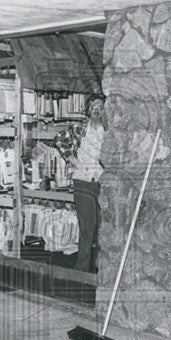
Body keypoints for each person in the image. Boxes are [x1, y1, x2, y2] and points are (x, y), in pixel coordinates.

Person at [54, 96, 107, 271]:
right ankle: (82, 270)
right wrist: (70, 157)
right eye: (93, 107)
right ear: (88, 110)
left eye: (100, 107)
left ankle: (101, 270)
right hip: (82, 181)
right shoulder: (80, 128)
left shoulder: (109, 131)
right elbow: (60, 138)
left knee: (102, 228)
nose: (97, 110)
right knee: (87, 228)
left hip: (102, 183)